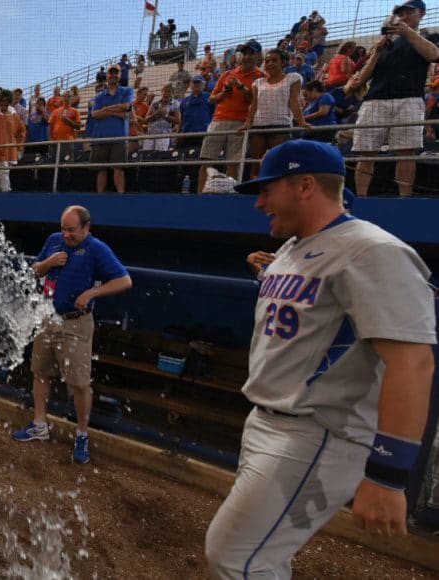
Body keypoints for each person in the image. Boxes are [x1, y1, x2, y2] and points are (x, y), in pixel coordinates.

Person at [205, 139, 436, 578]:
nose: (258, 204)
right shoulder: (294, 249)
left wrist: (388, 474)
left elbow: (413, 361)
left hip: (317, 433)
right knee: (262, 557)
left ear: (305, 185)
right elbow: (313, 316)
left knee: (234, 558)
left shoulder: (373, 250)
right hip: (269, 423)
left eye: (266, 190)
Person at [12, 205, 132, 464]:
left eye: (71, 230)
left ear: (86, 227)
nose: (65, 234)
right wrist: (48, 262)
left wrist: (91, 293)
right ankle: (39, 424)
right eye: (63, 228)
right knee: (40, 371)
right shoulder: (54, 241)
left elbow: (124, 281)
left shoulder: (97, 249)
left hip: (76, 323)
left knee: (79, 382)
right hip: (48, 316)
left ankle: (81, 434)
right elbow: (34, 270)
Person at [350, 0, 439, 197]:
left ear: (421, 13)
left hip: (409, 99)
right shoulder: (386, 43)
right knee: (367, 153)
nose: (404, 16)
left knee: (406, 153)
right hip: (374, 100)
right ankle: (362, 198)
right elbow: (362, 79)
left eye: (409, 12)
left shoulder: (429, 37)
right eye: (401, 13)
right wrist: (377, 51)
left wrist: (407, 31)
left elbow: (434, 55)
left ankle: (404, 200)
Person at [199, 40, 266, 192]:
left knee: (233, 162)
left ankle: (230, 193)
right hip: (218, 121)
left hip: (241, 122)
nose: (247, 57)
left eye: (251, 53)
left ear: (258, 56)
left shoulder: (261, 77)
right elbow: (211, 98)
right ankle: (200, 195)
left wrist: (240, 86)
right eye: (244, 53)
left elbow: (254, 101)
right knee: (206, 160)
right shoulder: (227, 74)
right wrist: (223, 94)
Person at [239, 49, 310, 179]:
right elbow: (254, 105)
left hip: (280, 126)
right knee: (256, 163)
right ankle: (254, 191)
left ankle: (279, 191)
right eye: (267, 61)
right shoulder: (258, 82)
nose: (270, 63)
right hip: (258, 126)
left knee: (279, 161)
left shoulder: (293, 78)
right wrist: (248, 123)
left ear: (283, 62)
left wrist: (301, 121)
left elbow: (294, 101)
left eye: (274, 60)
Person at [86, 65, 134, 193]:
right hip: (100, 138)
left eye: (116, 72)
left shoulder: (127, 90)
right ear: (107, 75)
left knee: (118, 169)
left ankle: (121, 197)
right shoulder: (99, 96)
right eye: (110, 73)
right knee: (101, 169)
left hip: (119, 138)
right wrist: (117, 112)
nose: (113, 75)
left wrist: (106, 109)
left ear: (119, 75)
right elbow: (95, 114)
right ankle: (100, 197)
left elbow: (126, 106)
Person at [179, 76, 214, 156]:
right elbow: (182, 117)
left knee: (202, 155)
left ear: (203, 85)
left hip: (203, 132)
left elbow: (213, 112)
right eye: (194, 83)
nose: (196, 85)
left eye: (199, 83)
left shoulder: (208, 97)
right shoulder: (185, 100)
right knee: (187, 155)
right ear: (191, 85)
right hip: (188, 132)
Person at [143, 84, 180, 152]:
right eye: (164, 91)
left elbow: (177, 121)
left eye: (168, 91)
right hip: (150, 133)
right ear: (161, 92)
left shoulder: (175, 104)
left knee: (160, 156)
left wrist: (165, 115)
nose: (166, 93)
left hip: (163, 135)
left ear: (172, 93)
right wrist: (156, 113)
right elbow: (146, 119)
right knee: (146, 155)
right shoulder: (155, 103)